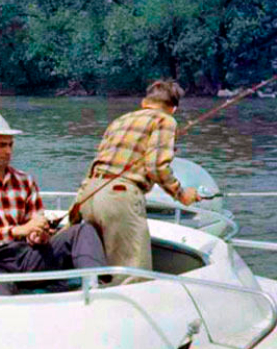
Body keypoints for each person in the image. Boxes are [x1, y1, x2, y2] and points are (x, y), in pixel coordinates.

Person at [0, 112, 107, 296]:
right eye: (1, 145)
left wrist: (39, 234)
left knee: (82, 231)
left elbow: (33, 228)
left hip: (28, 256)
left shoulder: (25, 181)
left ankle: (95, 289)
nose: (8, 151)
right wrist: (18, 230)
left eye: (11, 145)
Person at [75, 79, 199, 275]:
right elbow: (156, 166)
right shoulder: (165, 120)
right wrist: (181, 194)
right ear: (173, 108)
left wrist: (75, 209)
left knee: (102, 272)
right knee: (132, 276)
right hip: (119, 198)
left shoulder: (119, 121)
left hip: (89, 195)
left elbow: (96, 165)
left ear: (144, 102)